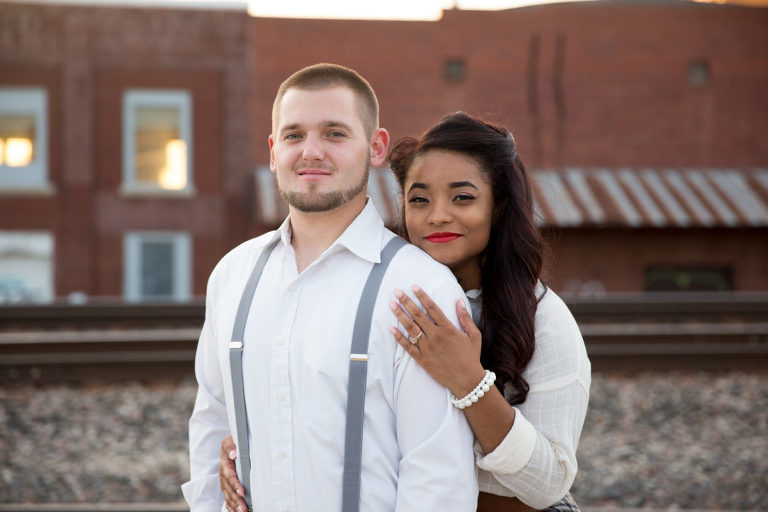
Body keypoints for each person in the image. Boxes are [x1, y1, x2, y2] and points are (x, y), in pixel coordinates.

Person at [219, 112, 591, 512]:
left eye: (462, 197)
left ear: (498, 207)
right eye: (419, 199)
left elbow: (550, 481)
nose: (437, 215)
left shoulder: (543, 319)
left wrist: (469, 381)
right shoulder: (380, 297)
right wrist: (247, 444)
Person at [181, 65, 478, 512]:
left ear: (375, 147)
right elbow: (211, 428)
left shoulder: (419, 285)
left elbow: (438, 479)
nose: (311, 152)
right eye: (293, 135)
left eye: (335, 134)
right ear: (273, 150)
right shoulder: (233, 275)